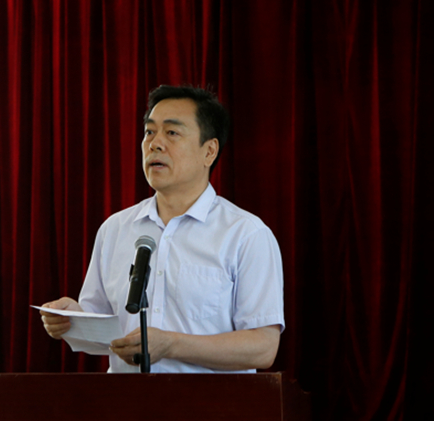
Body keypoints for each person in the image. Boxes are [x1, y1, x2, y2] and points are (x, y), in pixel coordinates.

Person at [40, 85, 284, 373]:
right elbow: (104, 330)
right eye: (149, 132)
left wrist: (171, 345)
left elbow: (263, 347)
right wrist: (73, 318)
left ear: (209, 151)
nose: (155, 143)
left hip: (210, 399)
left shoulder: (245, 234)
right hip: (126, 398)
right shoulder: (115, 229)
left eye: (172, 133)